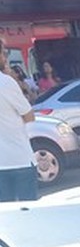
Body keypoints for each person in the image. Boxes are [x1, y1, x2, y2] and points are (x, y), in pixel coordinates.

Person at [0, 39, 38, 202]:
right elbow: (29, 115)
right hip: (18, 159)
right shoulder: (6, 82)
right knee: (27, 214)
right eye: (4, 53)